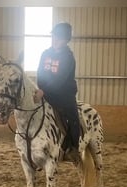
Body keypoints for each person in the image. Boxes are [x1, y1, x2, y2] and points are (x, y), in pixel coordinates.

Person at [34, 22, 80, 159]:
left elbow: (60, 79)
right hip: (46, 92)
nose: (54, 40)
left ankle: (73, 147)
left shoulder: (68, 58)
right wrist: (41, 88)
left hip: (64, 95)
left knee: (73, 117)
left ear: (65, 40)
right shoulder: (45, 54)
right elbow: (40, 73)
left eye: (58, 38)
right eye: (53, 36)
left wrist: (44, 91)